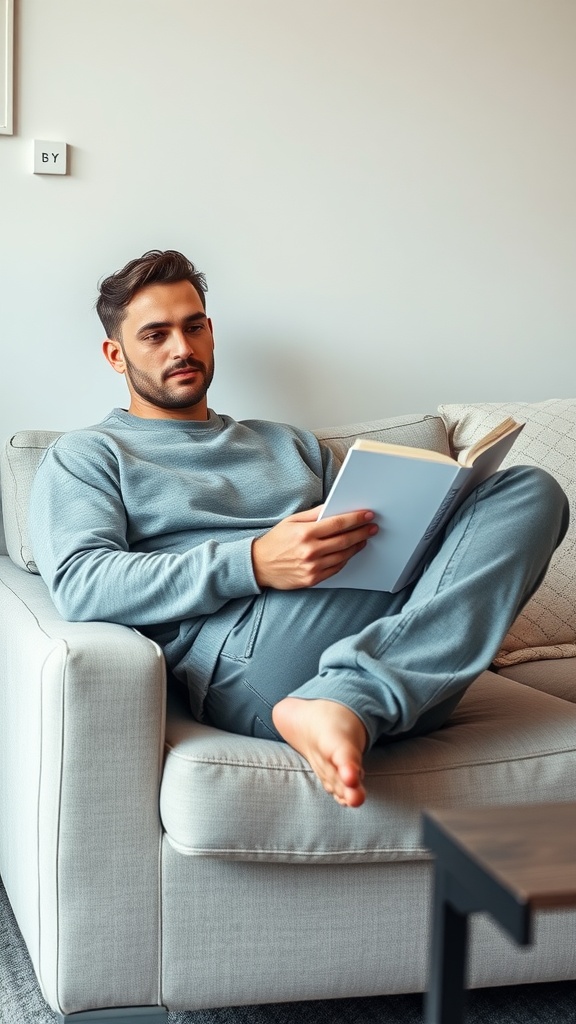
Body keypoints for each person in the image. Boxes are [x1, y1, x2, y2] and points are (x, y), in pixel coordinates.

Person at [29, 250, 569, 809]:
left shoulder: (291, 444)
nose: (182, 349)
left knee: (530, 488)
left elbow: (384, 543)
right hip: (251, 656)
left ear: (211, 332)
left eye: (193, 328)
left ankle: (350, 700)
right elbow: (82, 582)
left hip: (384, 635)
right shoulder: (88, 455)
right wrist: (256, 560)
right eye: (155, 335)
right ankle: (351, 696)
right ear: (116, 356)